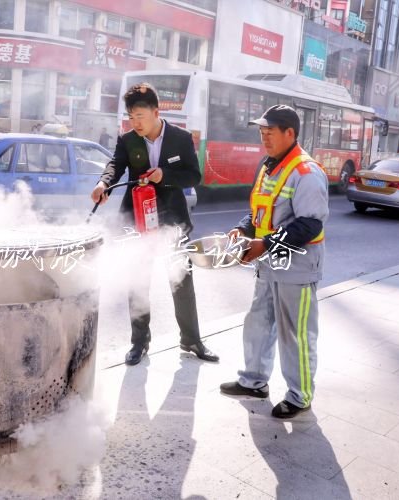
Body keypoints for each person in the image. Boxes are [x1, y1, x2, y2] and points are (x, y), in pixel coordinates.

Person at [90, 82, 218, 365]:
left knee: (182, 282)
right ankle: (139, 342)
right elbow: (115, 166)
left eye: (141, 117)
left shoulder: (181, 138)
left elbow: (193, 176)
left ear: (156, 112)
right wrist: (103, 184)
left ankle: (191, 339)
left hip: (173, 221)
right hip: (137, 222)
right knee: (137, 283)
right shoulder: (127, 140)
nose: (136, 123)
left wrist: (165, 176)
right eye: (131, 117)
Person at [219, 105, 329, 420]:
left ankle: (300, 396)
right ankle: (254, 381)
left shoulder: (306, 172)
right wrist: (243, 229)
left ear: (289, 133)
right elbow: (260, 212)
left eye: (269, 133)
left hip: (297, 268)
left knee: (295, 333)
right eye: (261, 133)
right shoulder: (271, 166)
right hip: (269, 264)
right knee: (257, 323)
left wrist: (265, 243)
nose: (263, 138)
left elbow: (311, 225)